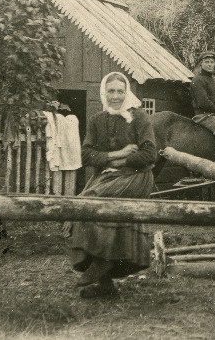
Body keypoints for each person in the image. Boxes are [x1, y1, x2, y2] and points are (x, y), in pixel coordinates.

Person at [68, 71, 157, 298]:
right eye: (111, 91)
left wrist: (120, 161)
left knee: (96, 202)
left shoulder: (140, 119)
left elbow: (149, 155)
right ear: (103, 93)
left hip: (136, 176)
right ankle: (105, 285)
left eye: (120, 91)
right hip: (106, 175)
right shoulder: (98, 120)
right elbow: (86, 155)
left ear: (126, 93)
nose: (115, 96)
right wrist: (116, 155)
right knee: (82, 204)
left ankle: (102, 262)